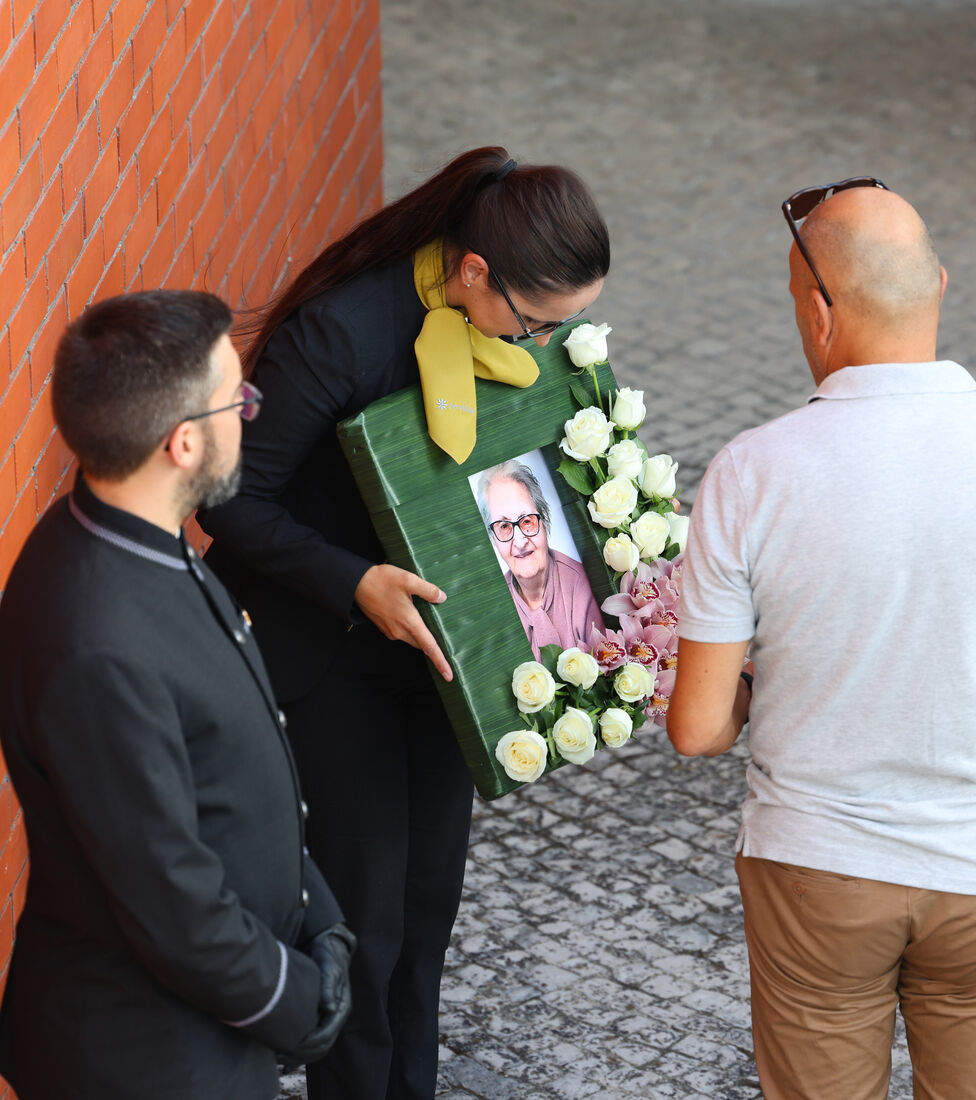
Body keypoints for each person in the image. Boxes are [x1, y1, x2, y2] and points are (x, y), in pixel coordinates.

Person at [667, 179, 976, 1100]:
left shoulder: (750, 472)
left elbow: (700, 728)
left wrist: (771, 686)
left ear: (819, 311)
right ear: (937, 283)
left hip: (817, 868)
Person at [197, 145, 609, 1100]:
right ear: (475, 272)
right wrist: (354, 583)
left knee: (427, 920)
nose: (546, 348)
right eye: (541, 323)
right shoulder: (343, 334)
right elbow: (229, 499)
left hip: (443, 654)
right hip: (337, 652)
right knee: (369, 929)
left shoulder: (510, 333)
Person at [0, 291, 355, 1100]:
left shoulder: (126, 534)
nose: (250, 415)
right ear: (184, 441)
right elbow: (173, 905)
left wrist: (319, 918)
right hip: (146, 1061)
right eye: (241, 399)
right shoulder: (97, 645)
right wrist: (301, 1001)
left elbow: (235, 776)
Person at [477, 459, 602, 656]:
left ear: (544, 518)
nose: (519, 541)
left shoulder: (583, 588)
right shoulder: (492, 608)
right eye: (503, 526)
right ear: (493, 538)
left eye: (526, 521)